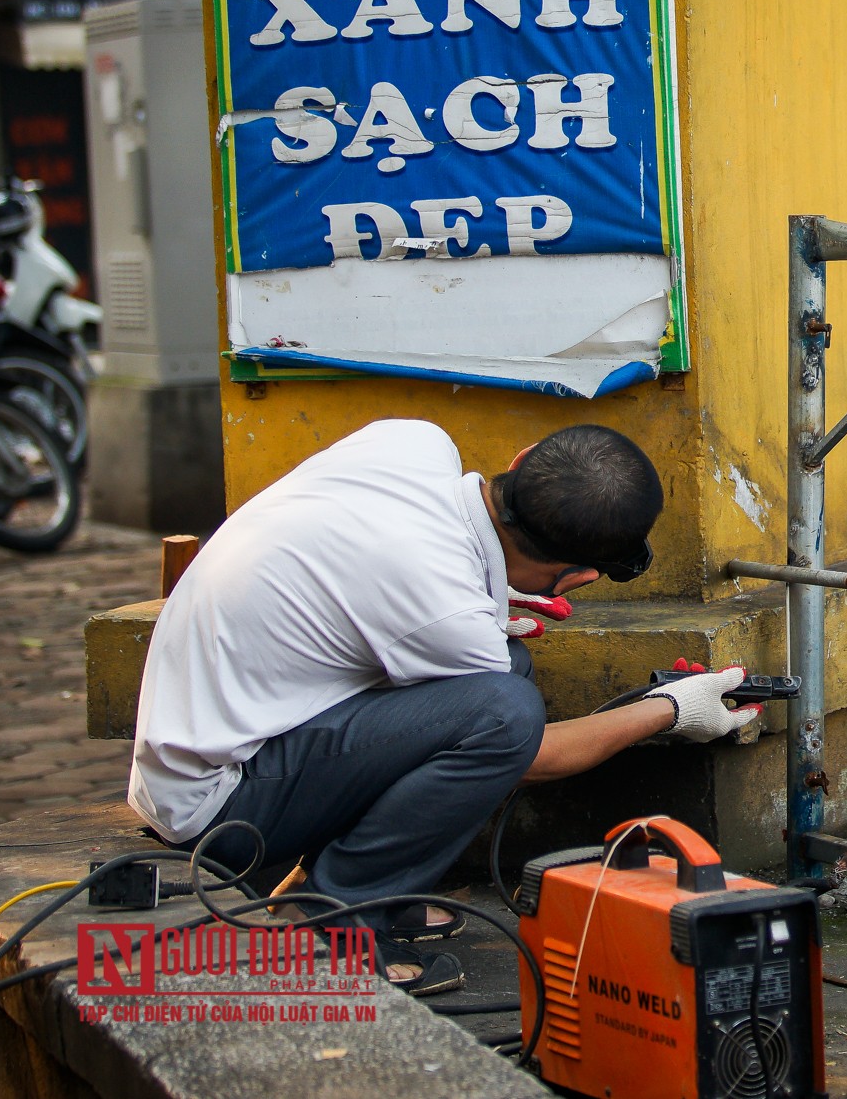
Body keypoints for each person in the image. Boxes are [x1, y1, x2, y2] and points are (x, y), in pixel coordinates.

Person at [127, 418, 760, 995]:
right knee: (505, 712)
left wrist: (480, 604)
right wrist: (670, 709)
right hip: (218, 807)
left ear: (522, 456)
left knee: (503, 671)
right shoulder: (446, 610)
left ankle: (373, 887)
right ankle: (329, 915)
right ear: (578, 577)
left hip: (203, 739)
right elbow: (532, 753)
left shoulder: (412, 441)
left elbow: (365, 576)